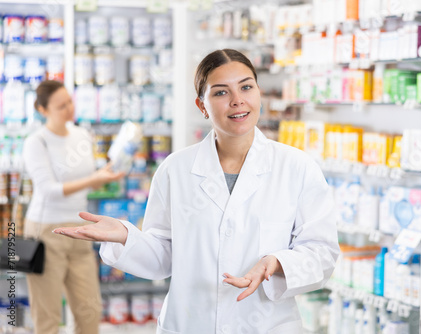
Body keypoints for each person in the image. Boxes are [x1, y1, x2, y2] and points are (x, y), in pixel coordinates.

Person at [54, 49, 340, 334]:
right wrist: (127, 236)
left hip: (266, 325)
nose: (238, 100)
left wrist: (275, 262)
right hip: (190, 323)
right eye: (220, 93)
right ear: (201, 105)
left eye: (246, 87)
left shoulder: (297, 167)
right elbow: (164, 256)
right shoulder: (175, 170)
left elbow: (322, 252)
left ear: (258, 93)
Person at [22, 80, 125, 334]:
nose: (69, 109)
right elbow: (47, 190)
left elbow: (87, 181)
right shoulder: (37, 142)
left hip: (81, 231)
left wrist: (108, 174)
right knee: (48, 316)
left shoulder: (82, 135)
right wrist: (95, 179)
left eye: (70, 101)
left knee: (90, 311)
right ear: (42, 110)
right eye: (61, 106)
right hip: (46, 232)